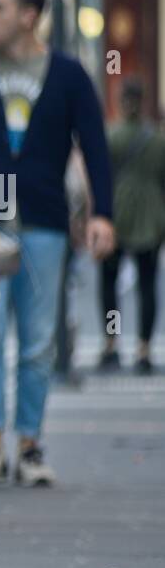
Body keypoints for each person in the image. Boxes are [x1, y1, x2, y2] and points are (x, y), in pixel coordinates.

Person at [0, 0, 116, 487]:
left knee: (39, 338)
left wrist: (102, 214)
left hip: (44, 221)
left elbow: (94, 145)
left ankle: (31, 442)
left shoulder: (69, 74)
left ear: (29, 15)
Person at [98, 77, 164, 375]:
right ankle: (144, 348)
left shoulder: (111, 136)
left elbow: (99, 176)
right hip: (152, 217)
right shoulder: (157, 140)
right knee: (148, 285)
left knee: (109, 283)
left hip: (118, 213)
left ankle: (112, 343)